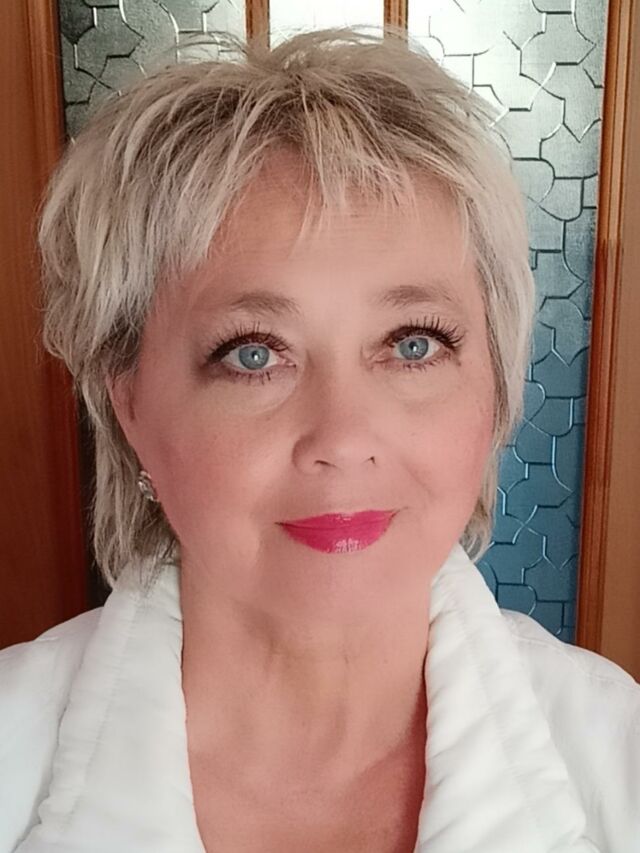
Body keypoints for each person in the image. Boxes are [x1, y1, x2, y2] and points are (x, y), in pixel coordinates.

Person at [1, 26, 638, 853]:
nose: (343, 437)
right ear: (130, 405)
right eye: (254, 353)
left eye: (413, 343)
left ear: (493, 388)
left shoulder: (618, 753)